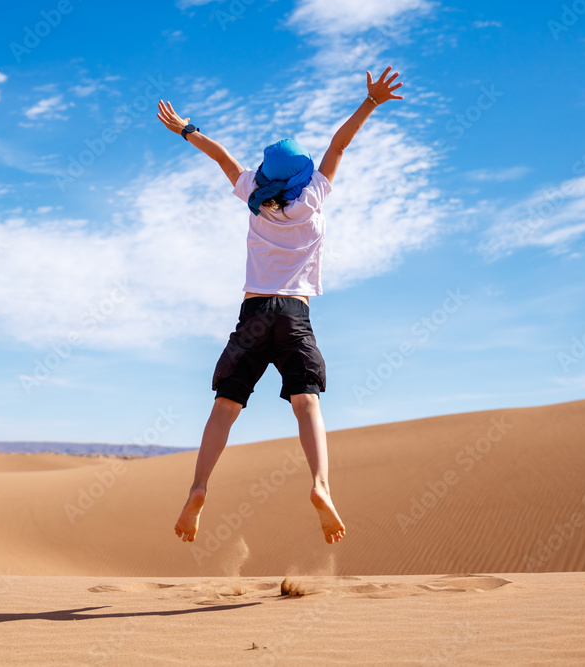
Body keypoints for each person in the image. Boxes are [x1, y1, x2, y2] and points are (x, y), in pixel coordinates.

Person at [157, 66, 405, 545]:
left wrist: (188, 130)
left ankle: (198, 487)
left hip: (253, 314)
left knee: (225, 407)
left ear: (267, 178)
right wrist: (370, 102)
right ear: (302, 177)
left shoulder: (254, 196)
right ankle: (320, 485)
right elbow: (338, 146)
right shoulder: (313, 198)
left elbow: (223, 158)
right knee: (307, 403)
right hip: (294, 314)